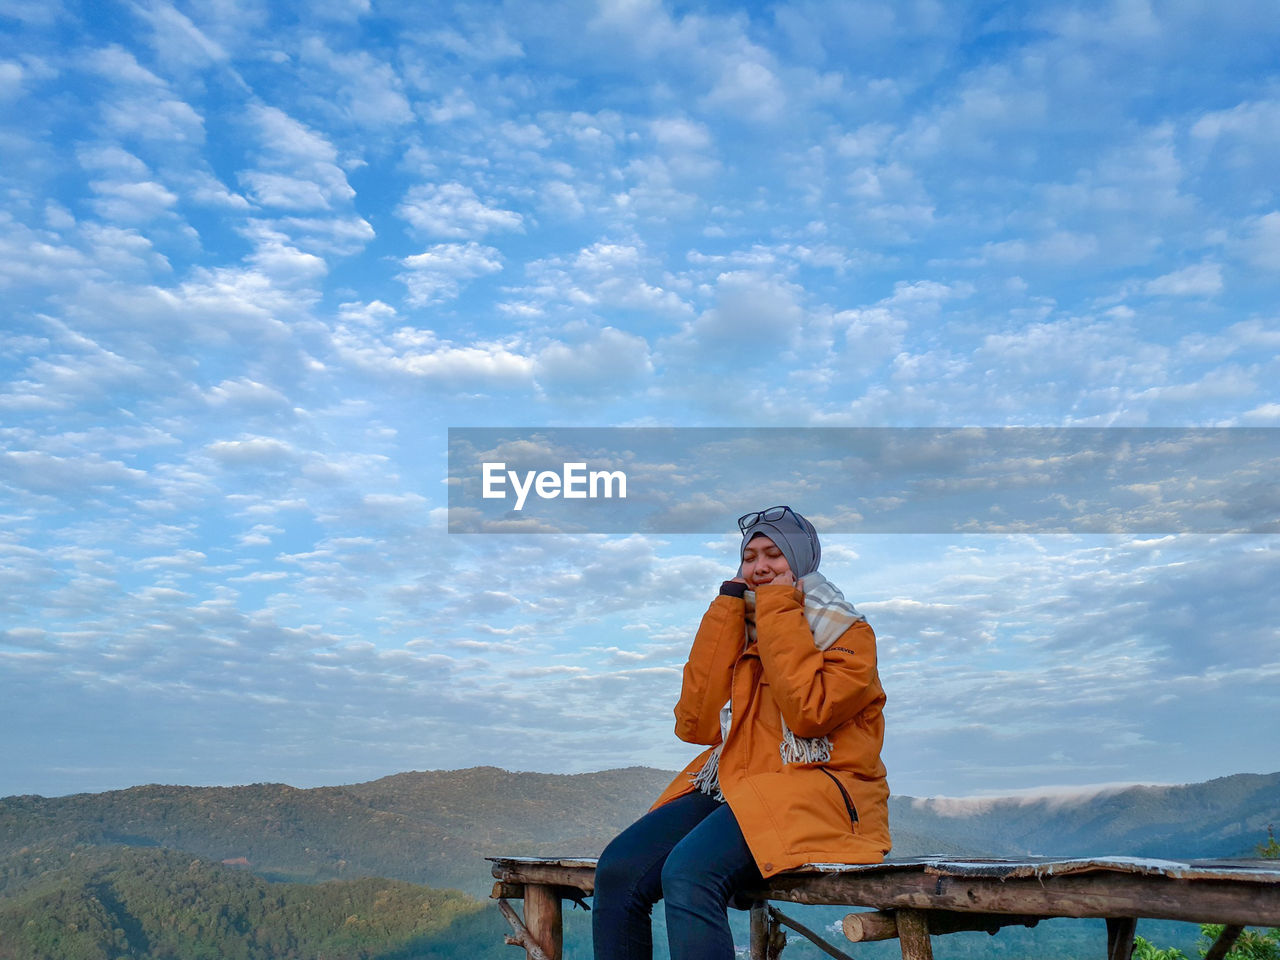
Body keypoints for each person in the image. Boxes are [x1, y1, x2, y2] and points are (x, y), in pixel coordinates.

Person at [592, 505, 890, 960]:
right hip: (738, 783)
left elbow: (810, 713)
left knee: (689, 873)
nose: (760, 566)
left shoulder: (848, 633)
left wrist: (775, 607)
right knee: (618, 870)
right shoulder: (744, 630)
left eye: (775, 554)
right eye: (749, 557)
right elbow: (694, 725)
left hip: (821, 790)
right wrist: (726, 609)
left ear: (803, 561)